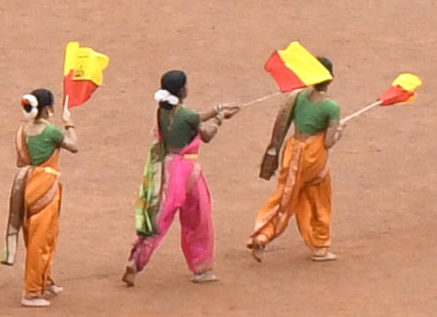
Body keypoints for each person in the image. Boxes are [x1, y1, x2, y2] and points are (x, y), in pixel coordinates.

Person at [120, 71, 237, 286]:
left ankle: (135, 261)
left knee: (158, 219)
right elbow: (206, 134)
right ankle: (201, 269)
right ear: (183, 90)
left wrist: (217, 109)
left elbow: (192, 118)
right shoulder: (188, 116)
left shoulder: (162, 112)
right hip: (188, 171)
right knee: (198, 217)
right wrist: (220, 119)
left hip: (167, 169)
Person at [243, 60, 355, 263]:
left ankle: (264, 234)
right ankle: (318, 245)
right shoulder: (331, 107)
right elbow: (329, 142)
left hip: (293, 150)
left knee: (286, 195)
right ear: (330, 79)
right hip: (313, 157)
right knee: (318, 199)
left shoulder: (299, 96)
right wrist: (339, 130)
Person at [7, 90, 74, 305]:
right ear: (47, 109)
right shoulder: (51, 131)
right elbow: (73, 145)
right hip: (46, 187)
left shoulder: (23, 131)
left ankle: (45, 279)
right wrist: (69, 124)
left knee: (39, 236)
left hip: (29, 184)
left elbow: (21, 161)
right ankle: (32, 291)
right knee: (41, 239)